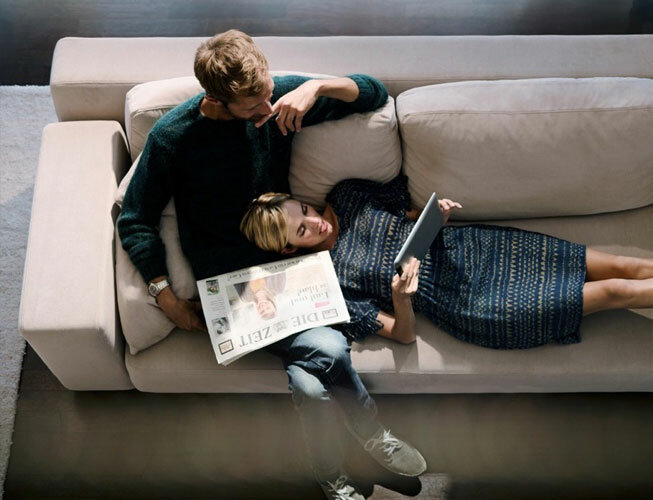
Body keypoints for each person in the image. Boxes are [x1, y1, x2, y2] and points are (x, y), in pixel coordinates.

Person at [117, 30, 425, 500]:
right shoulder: (172, 138)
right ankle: (372, 434)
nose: (267, 109)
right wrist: (165, 297)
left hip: (291, 274)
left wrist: (315, 87)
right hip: (232, 290)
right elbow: (135, 219)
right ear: (216, 100)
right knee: (330, 349)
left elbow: (374, 93)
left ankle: (331, 476)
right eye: (252, 106)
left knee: (312, 388)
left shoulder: (277, 98)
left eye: (267, 93)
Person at [240, 174, 653, 348]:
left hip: (475, 247)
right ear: (289, 250)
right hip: (468, 301)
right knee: (615, 291)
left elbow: (409, 216)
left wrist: (436, 217)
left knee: (624, 266)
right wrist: (401, 298)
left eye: (305, 210)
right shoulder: (327, 284)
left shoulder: (347, 195)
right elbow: (402, 335)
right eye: (303, 230)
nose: (316, 222)